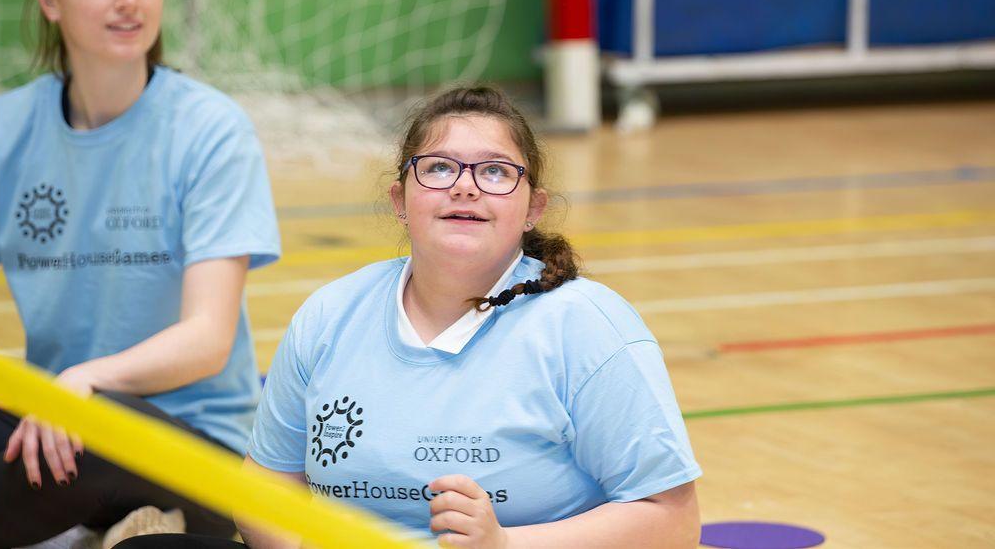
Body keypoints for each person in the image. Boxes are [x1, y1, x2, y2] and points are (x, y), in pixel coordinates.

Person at [119, 85, 701, 548]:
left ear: (533, 207)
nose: (467, 187)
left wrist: (504, 545)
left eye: (496, 172)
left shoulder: (586, 326)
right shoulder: (331, 314)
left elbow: (671, 522)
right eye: (440, 168)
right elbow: (267, 479)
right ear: (401, 200)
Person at [0, 0, 281, 547]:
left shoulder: (209, 129)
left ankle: (130, 519)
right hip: (60, 424)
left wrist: (84, 380)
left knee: (97, 425)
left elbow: (207, 337)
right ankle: (116, 526)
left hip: (198, 450)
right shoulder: (3, 128)